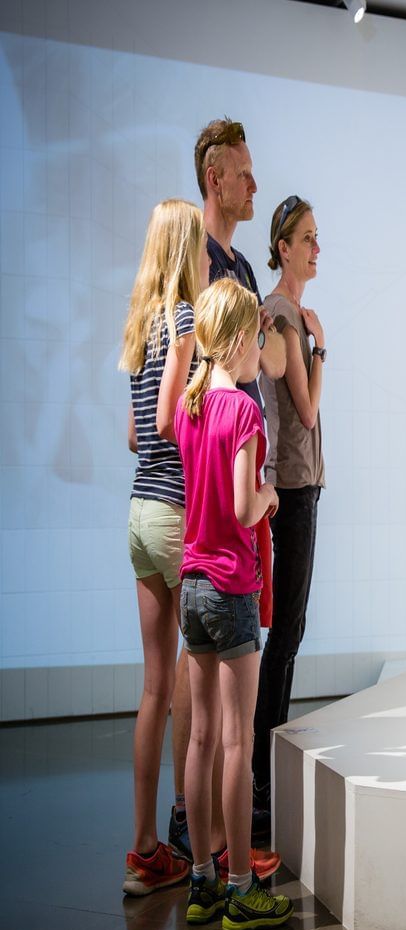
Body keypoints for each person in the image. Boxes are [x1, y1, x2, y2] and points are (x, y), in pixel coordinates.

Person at [175, 278, 294, 930]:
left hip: (191, 586)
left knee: (197, 737)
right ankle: (243, 887)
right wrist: (272, 494)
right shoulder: (244, 413)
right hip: (231, 588)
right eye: (259, 337)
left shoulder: (192, 407)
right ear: (241, 339)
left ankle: (200, 881)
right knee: (235, 740)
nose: (262, 351)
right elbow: (245, 507)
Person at [194, 117, 285, 839]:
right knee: (225, 730)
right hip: (222, 555)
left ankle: (205, 857)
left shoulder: (245, 267)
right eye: (243, 173)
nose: (254, 185)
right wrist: (262, 494)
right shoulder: (199, 260)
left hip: (209, 548)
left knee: (208, 727)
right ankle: (222, 861)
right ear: (213, 178)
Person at [119, 199, 206, 895]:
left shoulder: (141, 326)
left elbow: (132, 436)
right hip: (176, 510)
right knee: (196, 683)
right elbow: (165, 419)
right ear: (186, 251)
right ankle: (207, 849)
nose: (210, 257)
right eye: (202, 247)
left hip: (139, 512)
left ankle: (145, 849)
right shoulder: (181, 321)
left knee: (154, 688)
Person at [252, 196, 325, 815]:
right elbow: (305, 410)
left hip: (301, 484)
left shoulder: (287, 312)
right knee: (287, 630)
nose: (315, 247)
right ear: (283, 247)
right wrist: (321, 352)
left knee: (290, 627)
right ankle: (261, 768)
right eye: (306, 238)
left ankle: (263, 761)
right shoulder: (282, 313)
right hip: (295, 487)